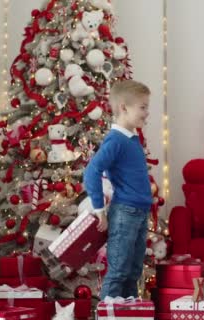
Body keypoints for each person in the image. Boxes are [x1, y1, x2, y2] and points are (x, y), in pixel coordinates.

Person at [84, 80, 153, 298]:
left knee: (133, 272)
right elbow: (92, 172)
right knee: (119, 271)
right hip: (125, 213)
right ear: (124, 107)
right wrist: (99, 209)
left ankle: (128, 312)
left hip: (140, 213)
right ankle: (109, 312)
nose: (147, 113)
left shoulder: (132, 139)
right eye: (142, 107)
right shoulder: (115, 140)